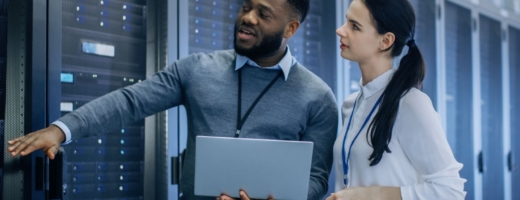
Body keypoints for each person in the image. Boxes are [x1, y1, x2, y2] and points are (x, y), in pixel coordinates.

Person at [7, 0, 339, 199]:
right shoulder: (196, 70)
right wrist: (62, 129)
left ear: (291, 28)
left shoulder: (318, 97)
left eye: (263, 14)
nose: (248, 17)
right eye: (246, 6)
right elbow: (129, 102)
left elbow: (317, 179)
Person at [326, 0, 466, 199]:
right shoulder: (351, 104)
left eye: (354, 26)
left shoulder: (410, 103)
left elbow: (450, 190)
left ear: (386, 41)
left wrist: (371, 195)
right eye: (346, 21)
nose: (340, 30)